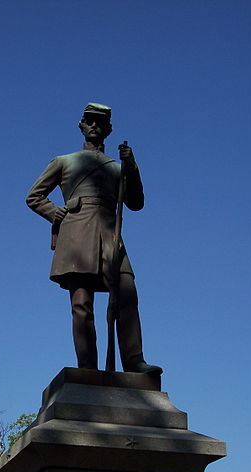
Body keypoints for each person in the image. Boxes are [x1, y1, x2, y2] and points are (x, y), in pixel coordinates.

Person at [26, 102, 161, 374]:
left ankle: (134, 361)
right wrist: (57, 214)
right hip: (76, 232)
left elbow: (135, 202)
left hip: (110, 233)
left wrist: (132, 166)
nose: (95, 126)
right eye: (90, 121)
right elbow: (34, 196)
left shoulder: (118, 167)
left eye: (101, 123)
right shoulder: (63, 161)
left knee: (127, 295)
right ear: (81, 126)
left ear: (109, 129)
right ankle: (87, 368)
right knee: (82, 305)